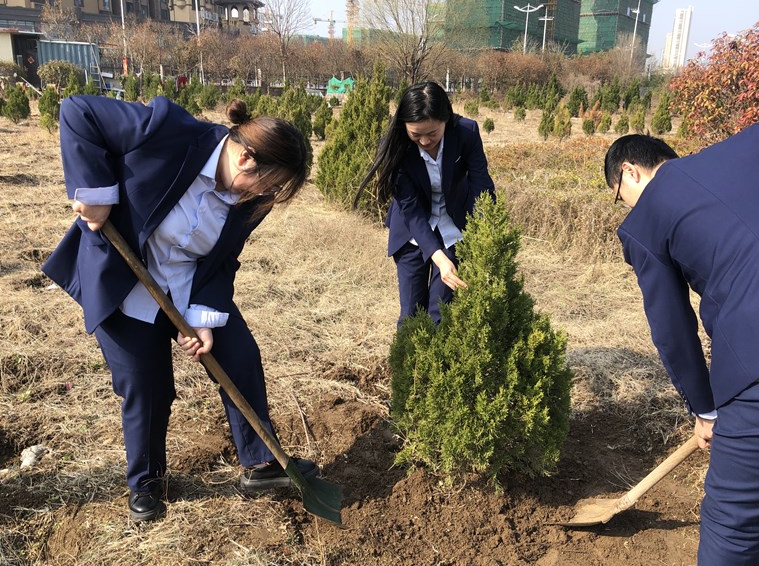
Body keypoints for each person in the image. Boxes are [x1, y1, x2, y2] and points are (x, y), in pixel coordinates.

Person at [42, 95, 319, 522]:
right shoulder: (168, 129)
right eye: (269, 184)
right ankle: (146, 481)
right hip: (124, 278)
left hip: (187, 283)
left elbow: (223, 260)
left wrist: (204, 317)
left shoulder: (250, 199)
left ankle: (261, 463)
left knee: (239, 355)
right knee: (147, 385)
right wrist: (96, 192)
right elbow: (78, 112)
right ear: (246, 158)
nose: (267, 195)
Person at [604, 128, 759, 566]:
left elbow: (673, 330)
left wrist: (706, 410)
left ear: (629, 172)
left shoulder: (647, 217)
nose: (625, 206)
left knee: (733, 530)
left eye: (618, 195)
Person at [355, 81, 495, 325]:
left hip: (452, 229)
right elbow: (411, 210)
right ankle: (407, 351)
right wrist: (439, 258)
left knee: (440, 313)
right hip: (412, 230)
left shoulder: (466, 133)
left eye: (432, 133)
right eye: (415, 134)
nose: (424, 141)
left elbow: (481, 186)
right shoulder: (395, 147)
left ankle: (437, 350)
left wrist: (483, 236)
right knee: (411, 314)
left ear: (446, 120)